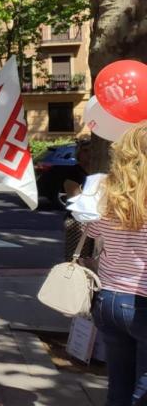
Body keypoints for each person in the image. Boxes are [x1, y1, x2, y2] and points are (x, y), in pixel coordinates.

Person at [82, 125, 147, 406]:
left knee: (118, 382)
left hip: (107, 297)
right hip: (142, 298)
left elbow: (91, 233)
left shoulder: (103, 187)